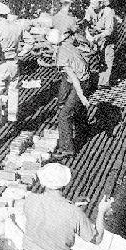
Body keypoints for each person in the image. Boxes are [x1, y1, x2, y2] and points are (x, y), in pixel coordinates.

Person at [47, 28, 90, 159]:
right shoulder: (68, 45)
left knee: (64, 115)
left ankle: (67, 149)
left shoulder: (61, 55)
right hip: (83, 77)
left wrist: (82, 96)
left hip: (80, 82)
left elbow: (74, 79)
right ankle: (83, 131)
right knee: (72, 107)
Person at [0, 1, 29, 112]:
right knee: (13, 91)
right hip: (13, 63)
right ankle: (12, 117)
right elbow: (30, 41)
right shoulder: (17, 27)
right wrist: (22, 53)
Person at [83, 0, 116, 88]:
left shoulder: (109, 12)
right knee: (87, 56)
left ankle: (103, 82)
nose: (92, 5)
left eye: (94, 3)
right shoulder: (90, 8)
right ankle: (87, 79)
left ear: (101, 4)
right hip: (94, 35)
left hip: (107, 37)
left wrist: (98, 37)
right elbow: (86, 22)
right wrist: (88, 35)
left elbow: (109, 30)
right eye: (91, 3)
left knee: (106, 58)